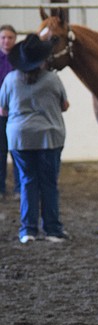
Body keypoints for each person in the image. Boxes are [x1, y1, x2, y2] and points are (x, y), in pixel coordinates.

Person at [0, 33, 70, 243]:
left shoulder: (10, 79)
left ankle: (28, 230)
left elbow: (3, 110)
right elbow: (64, 106)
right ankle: (52, 230)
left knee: (27, 182)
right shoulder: (52, 79)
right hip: (49, 137)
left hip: (20, 138)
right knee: (49, 183)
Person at [0, 24, 17, 199]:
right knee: (1, 151)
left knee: (18, 151)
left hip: (16, 112)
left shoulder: (21, 60)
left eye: (10, 38)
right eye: (3, 37)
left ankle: (19, 188)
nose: (6, 41)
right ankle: (1, 187)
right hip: (0, 113)